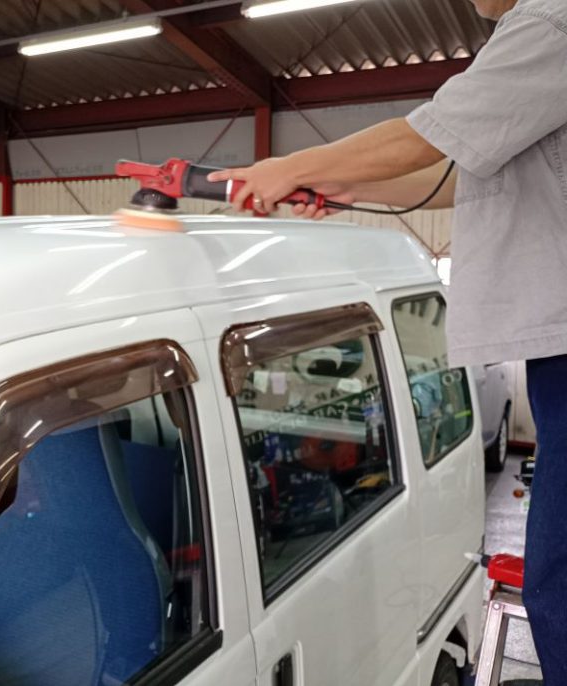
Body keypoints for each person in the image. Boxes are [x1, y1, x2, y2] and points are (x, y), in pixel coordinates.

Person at [208, 0, 567, 682]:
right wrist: (331, 181)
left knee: (560, 583)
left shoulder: (551, 22)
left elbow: (424, 138)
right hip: (556, 357)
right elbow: (452, 174)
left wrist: (292, 164)